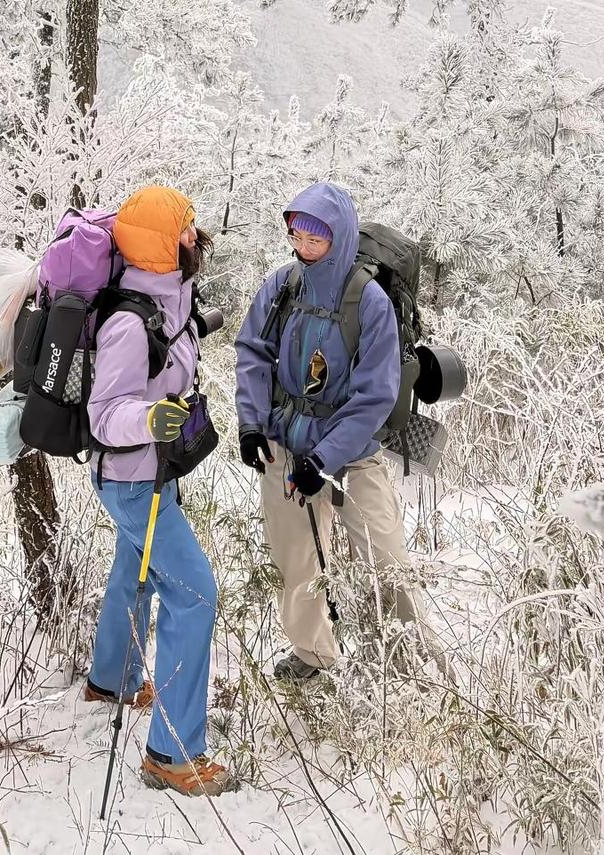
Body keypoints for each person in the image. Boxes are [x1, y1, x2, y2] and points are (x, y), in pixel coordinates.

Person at [235, 181, 420, 683]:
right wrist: (252, 424)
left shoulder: (371, 302)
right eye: (297, 237)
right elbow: (251, 351)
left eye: (314, 240)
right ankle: (314, 654)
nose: (303, 249)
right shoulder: (282, 287)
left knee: (386, 558)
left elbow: (374, 395)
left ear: (338, 239)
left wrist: (325, 459)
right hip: (285, 444)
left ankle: (406, 659)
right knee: (295, 561)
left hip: (352, 451)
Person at [83, 185, 234, 796]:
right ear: (163, 244)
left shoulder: (167, 296)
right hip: (133, 478)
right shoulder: (128, 322)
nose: (195, 236)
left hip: (146, 477)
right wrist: (148, 419)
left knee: (134, 568)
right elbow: (104, 414)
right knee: (195, 595)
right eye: (186, 228)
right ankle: (173, 753)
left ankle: (110, 680)